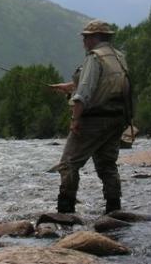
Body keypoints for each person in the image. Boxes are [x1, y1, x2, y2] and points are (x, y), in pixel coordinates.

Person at [48, 19, 131, 214]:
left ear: (95, 38)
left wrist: (75, 120)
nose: (83, 41)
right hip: (117, 119)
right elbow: (105, 84)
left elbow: (83, 93)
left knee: (68, 164)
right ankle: (114, 208)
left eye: (86, 37)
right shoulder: (118, 57)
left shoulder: (95, 58)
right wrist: (69, 86)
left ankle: (65, 210)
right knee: (107, 165)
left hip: (94, 119)